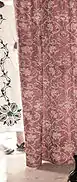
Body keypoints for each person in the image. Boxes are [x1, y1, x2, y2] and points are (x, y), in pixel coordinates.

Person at [0, 0, 25, 155]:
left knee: (14, 95)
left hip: (9, 63)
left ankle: (20, 139)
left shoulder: (12, 10)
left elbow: (19, 38)